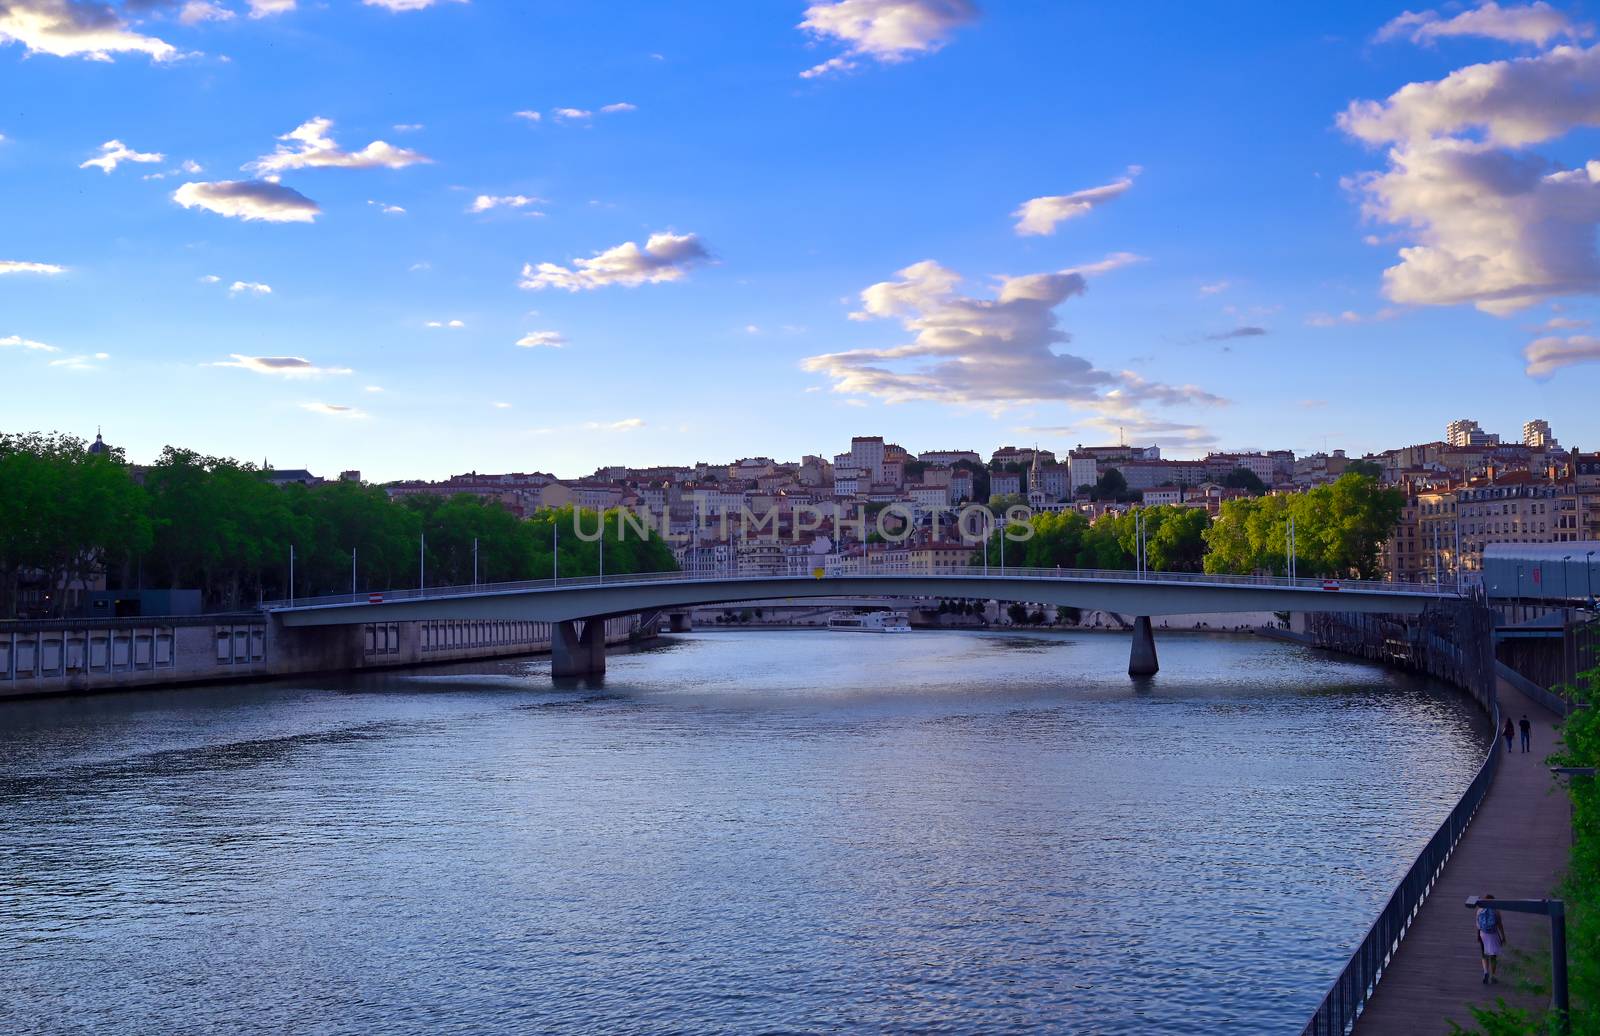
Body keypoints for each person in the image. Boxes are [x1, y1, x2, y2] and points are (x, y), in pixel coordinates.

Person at [1476, 895, 1507, 983]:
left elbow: (1478, 925)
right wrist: (1503, 937)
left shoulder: (1479, 910)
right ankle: (1493, 976)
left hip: (1483, 935)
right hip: (1493, 935)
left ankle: (1486, 972)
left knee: (1484, 954)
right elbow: (1500, 925)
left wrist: (1478, 935)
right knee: (1493, 956)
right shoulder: (1496, 911)